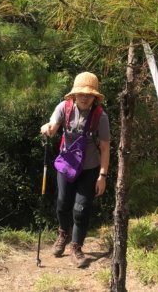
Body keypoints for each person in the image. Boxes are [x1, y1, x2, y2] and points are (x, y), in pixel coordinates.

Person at [40, 72, 110, 268]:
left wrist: (102, 176)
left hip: (89, 169)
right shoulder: (64, 108)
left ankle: (77, 247)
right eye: (81, 93)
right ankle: (63, 234)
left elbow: (105, 148)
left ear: (95, 96)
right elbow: (53, 127)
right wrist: (48, 127)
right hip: (67, 165)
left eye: (89, 94)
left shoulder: (100, 116)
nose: (84, 97)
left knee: (81, 209)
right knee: (63, 202)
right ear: (74, 94)